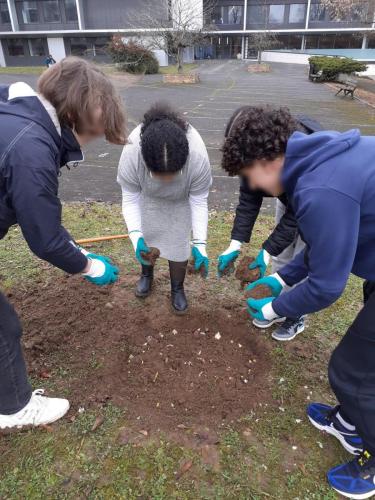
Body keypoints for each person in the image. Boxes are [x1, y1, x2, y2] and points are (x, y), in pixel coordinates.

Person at [224, 105, 375, 499]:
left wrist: (274, 309)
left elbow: (327, 286)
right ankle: (351, 421)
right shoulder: (316, 159)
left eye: (248, 176)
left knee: (351, 371)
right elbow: (323, 248)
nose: (252, 185)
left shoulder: (320, 189)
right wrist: (279, 277)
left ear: (265, 161)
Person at [0, 57, 126, 430]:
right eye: (97, 130)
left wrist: (79, 250)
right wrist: (90, 266)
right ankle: (15, 409)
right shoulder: (33, 150)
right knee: (4, 328)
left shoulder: (13, 105)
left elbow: (43, 219)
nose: (95, 138)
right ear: (77, 115)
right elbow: (44, 239)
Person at [219, 106, 322, 341]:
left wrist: (264, 251)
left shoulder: (306, 164)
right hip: (289, 197)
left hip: (313, 203)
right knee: (282, 254)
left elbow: (296, 217)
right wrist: (235, 244)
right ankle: (277, 304)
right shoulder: (253, 156)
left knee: (302, 255)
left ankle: (296, 315)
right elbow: (248, 199)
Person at [117, 102, 212, 314]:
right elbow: (130, 197)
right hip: (147, 199)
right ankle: (146, 275)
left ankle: (177, 288)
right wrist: (135, 235)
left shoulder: (197, 156)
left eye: (172, 175)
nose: (167, 180)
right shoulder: (133, 150)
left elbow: (198, 201)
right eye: (161, 175)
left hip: (180, 202)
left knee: (179, 243)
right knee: (147, 239)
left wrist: (200, 243)